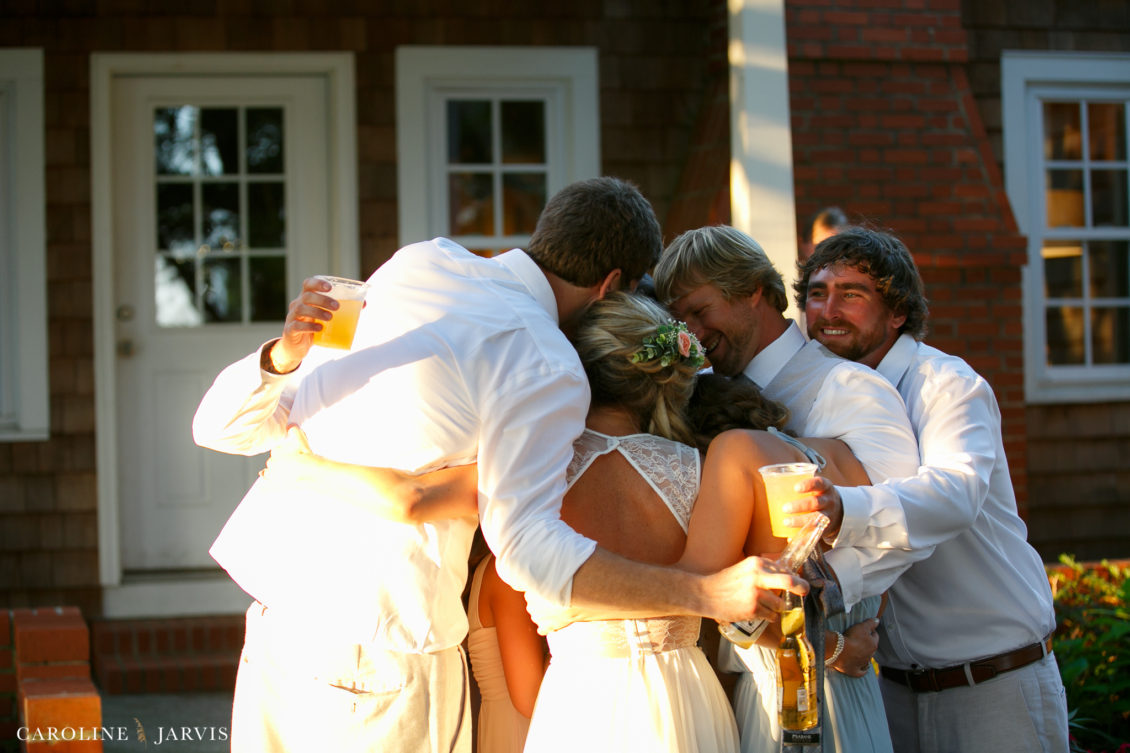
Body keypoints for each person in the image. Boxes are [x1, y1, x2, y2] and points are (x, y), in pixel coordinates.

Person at [193, 179, 803, 752]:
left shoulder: (419, 262)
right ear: (610, 284)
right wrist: (703, 592)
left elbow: (220, 429)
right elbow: (529, 550)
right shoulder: (546, 363)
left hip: (275, 630)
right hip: (378, 648)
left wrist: (281, 356)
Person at [791, 226, 1069, 753]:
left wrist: (842, 506)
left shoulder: (947, 384)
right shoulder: (824, 396)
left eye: (852, 294)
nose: (828, 311)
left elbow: (954, 492)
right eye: (817, 294)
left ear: (897, 311)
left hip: (993, 687)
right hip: (888, 689)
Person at [653, 224, 920, 753]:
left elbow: (899, 528)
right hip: (739, 691)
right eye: (678, 318)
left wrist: (832, 642)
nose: (690, 330)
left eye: (698, 310)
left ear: (753, 289)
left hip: (821, 693)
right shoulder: (700, 398)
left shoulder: (848, 388)